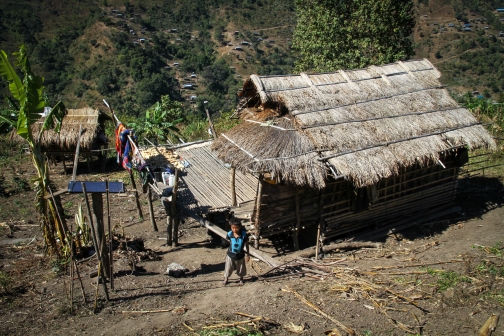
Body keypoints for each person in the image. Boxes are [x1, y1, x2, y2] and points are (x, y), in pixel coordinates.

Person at [223, 217, 249, 286]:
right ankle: (226, 278)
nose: (234, 230)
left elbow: (247, 244)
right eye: (232, 228)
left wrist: (248, 254)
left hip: (240, 255)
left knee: (241, 268)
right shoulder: (229, 234)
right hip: (230, 255)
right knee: (228, 267)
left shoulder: (244, 235)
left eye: (236, 228)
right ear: (230, 227)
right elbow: (230, 242)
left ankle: (241, 278)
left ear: (240, 227)